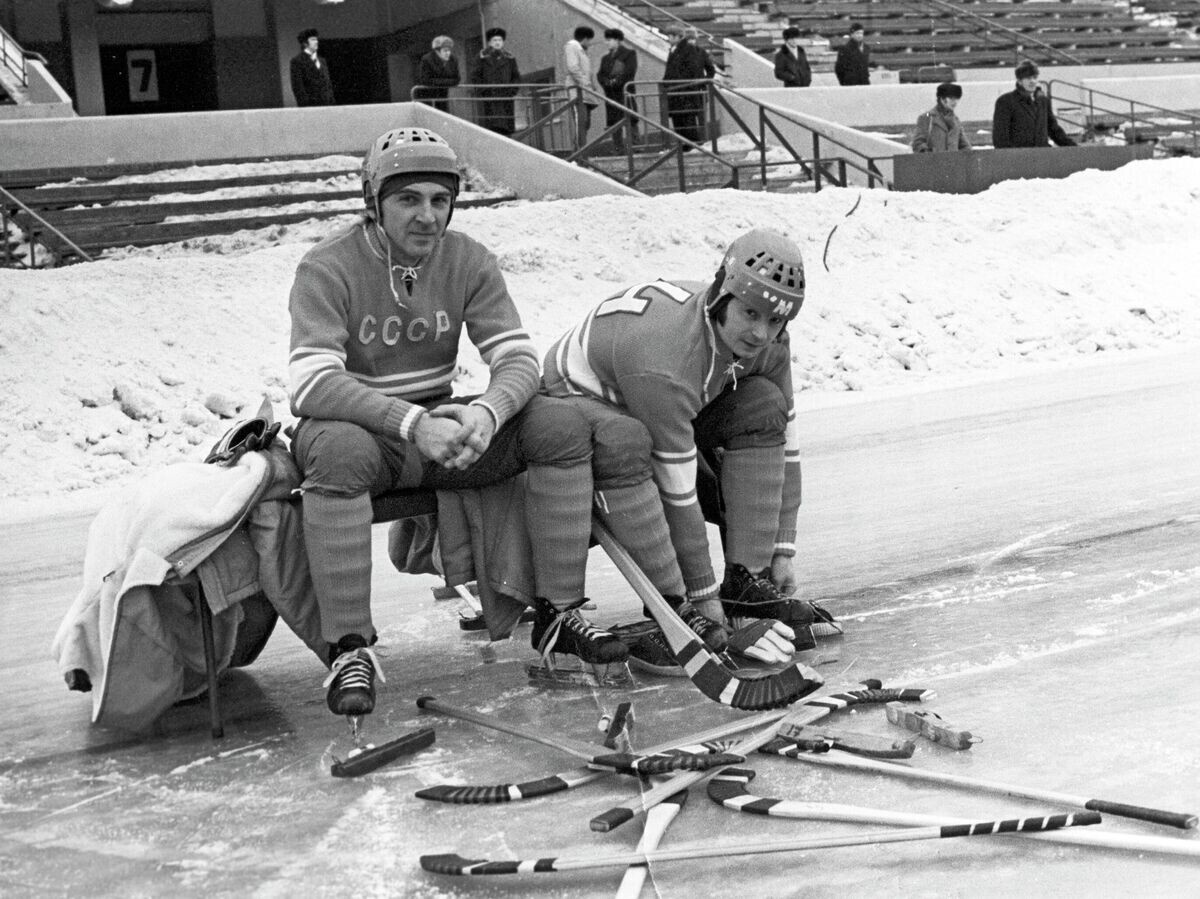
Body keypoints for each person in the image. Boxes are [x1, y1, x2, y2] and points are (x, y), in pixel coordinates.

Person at [287, 127, 623, 721]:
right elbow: (310, 385)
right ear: (374, 201)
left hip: (442, 430)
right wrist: (413, 422)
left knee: (558, 425)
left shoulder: (468, 258)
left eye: (440, 200)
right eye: (408, 199)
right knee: (334, 450)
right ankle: (348, 650)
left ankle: (559, 613)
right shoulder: (326, 267)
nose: (427, 216)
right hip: (371, 436)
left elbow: (518, 359)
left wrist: (487, 413)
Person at [543, 229, 838, 670]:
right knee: (628, 443)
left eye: (774, 321)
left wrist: (782, 548)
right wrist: (701, 600)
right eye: (750, 313)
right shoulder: (667, 362)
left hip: (669, 389)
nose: (761, 333)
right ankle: (671, 606)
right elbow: (678, 491)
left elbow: (788, 439)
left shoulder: (770, 339)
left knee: (763, 405)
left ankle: (745, 581)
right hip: (582, 396)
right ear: (722, 293)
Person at [991, 60, 1077, 149]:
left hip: (1042, 155)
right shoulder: (1005, 101)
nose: (1032, 81)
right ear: (1019, 81)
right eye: (1028, 78)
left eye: (1035, 77)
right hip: (1019, 157)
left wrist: (1075, 148)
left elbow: (1053, 129)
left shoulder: (1043, 100)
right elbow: (1000, 138)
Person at [663, 26, 717, 146]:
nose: (691, 41)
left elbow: (709, 71)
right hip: (684, 91)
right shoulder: (675, 50)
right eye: (689, 38)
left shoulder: (695, 51)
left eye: (693, 38)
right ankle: (693, 145)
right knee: (684, 121)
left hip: (693, 91)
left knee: (694, 121)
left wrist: (701, 81)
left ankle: (699, 144)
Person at [472, 27, 521, 136]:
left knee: (506, 128)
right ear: (489, 42)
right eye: (494, 40)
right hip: (490, 97)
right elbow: (475, 76)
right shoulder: (482, 57)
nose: (497, 43)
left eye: (499, 40)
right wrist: (483, 91)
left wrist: (511, 91)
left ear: (503, 42)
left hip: (505, 97)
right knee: (492, 128)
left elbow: (516, 77)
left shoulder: (509, 58)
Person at [598, 28, 638, 153]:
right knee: (614, 122)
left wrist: (616, 82)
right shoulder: (605, 58)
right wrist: (606, 82)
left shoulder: (629, 54)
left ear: (617, 40)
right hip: (611, 94)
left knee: (630, 119)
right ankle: (618, 148)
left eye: (609, 40)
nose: (607, 43)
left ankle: (635, 147)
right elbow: (600, 74)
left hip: (624, 92)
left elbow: (630, 72)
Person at [912, 82, 972, 153]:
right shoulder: (927, 117)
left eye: (957, 99)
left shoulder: (956, 120)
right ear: (942, 99)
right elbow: (918, 144)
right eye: (952, 98)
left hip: (953, 163)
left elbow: (965, 146)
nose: (955, 102)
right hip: (933, 162)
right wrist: (931, 155)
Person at [563, 26, 597, 146]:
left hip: (585, 93)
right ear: (585, 39)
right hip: (578, 93)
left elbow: (586, 71)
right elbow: (573, 67)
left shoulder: (582, 51)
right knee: (581, 123)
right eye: (590, 40)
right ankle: (579, 153)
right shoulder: (572, 47)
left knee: (585, 123)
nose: (591, 43)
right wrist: (586, 82)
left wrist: (591, 85)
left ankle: (581, 151)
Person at [290, 28, 335, 107]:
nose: (316, 42)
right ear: (305, 43)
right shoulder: (297, 61)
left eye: (316, 39)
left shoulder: (322, 61)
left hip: (327, 105)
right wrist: (305, 106)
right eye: (313, 40)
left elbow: (327, 83)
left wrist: (331, 102)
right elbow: (298, 87)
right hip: (311, 106)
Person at [416, 36, 460, 112]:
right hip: (427, 96)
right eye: (445, 51)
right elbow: (425, 80)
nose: (448, 53)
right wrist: (448, 82)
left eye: (449, 50)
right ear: (437, 51)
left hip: (443, 95)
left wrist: (439, 82)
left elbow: (457, 79)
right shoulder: (427, 59)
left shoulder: (453, 59)